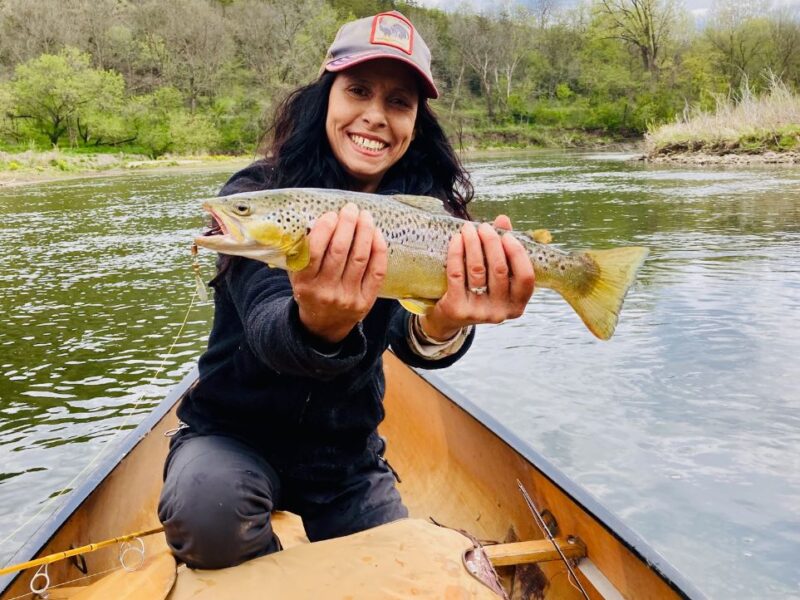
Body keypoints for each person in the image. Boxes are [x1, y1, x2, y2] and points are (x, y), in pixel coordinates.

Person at [157, 10, 535, 569]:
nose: (375, 116)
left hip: (346, 459)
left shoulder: (432, 215)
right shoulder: (261, 193)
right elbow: (266, 326)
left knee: (397, 571)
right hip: (231, 437)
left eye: (399, 102)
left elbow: (414, 339)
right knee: (206, 509)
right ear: (325, 98)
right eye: (358, 90)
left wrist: (446, 323)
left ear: (415, 123)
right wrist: (319, 324)